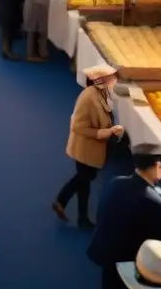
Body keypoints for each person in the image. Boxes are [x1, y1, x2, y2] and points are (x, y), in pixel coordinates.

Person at [53, 64, 124, 230]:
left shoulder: (99, 93)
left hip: (90, 148)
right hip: (85, 147)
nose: (113, 81)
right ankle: (81, 217)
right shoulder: (87, 98)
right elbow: (78, 126)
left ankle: (62, 202)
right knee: (84, 181)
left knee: (84, 178)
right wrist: (105, 132)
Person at [88, 143, 161, 289]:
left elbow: (100, 213)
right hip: (130, 266)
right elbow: (153, 247)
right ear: (156, 166)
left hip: (105, 253)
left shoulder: (115, 182)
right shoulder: (155, 203)